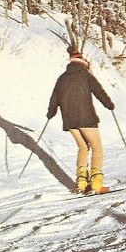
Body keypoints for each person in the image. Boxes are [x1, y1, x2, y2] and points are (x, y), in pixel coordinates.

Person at [47, 46, 115, 194]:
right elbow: (99, 92)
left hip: (69, 121)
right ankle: (96, 185)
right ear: (83, 63)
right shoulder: (86, 75)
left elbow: (54, 99)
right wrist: (109, 105)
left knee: (83, 148)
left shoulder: (62, 78)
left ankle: (81, 185)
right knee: (97, 148)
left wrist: (50, 114)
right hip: (86, 119)